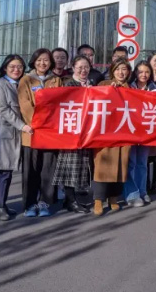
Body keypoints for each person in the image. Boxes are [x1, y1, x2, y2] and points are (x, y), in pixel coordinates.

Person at [18, 48, 62, 217]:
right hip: (32, 132)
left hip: (51, 133)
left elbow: (61, 103)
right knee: (31, 171)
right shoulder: (26, 80)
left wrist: (51, 123)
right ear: (34, 62)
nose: (42, 63)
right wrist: (39, 123)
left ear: (50, 62)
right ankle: (29, 204)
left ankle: (44, 202)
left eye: (46, 60)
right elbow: (25, 105)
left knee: (48, 170)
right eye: (39, 60)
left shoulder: (56, 80)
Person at [53, 55, 95, 214]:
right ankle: (71, 200)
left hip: (87, 131)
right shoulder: (69, 84)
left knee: (81, 165)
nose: (83, 70)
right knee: (70, 165)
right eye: (80, 67)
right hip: (71, 130)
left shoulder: (92, 84)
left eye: (86, 67)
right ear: (73, 68)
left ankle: (73, 198)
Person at [0, 54, 29, 221]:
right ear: (5, 68)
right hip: (4, 134)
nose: (16, 69)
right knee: (4, 171)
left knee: (8, 171)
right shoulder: (0, 84)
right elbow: (2, 109)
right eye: (12, 66)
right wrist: (22, 126)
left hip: (16, 133)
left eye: (19, 66)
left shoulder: (20, 84)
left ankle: (2, 204)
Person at [93, 59, 133, 215]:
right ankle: (98, 199)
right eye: (117, 69)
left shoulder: (131, 88)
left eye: (124, 69)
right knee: (102, 166)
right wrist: (109, 90)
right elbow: (94, 101)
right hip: (105, 132)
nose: (121, 73)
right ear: (112, 71)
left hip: (123, 131)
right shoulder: (103, 84)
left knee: (120, 165)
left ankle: (113, 197)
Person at [124, 61, 156, 207]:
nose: (144, 75)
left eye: (147, 72)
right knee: (131, 162)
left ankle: (142, 191)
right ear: (135, 73)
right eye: (141, 72)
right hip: (131, 129)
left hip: (147, 130)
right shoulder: (128, 87)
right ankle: (132, 194)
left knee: (142, 163)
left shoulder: (154, 88)